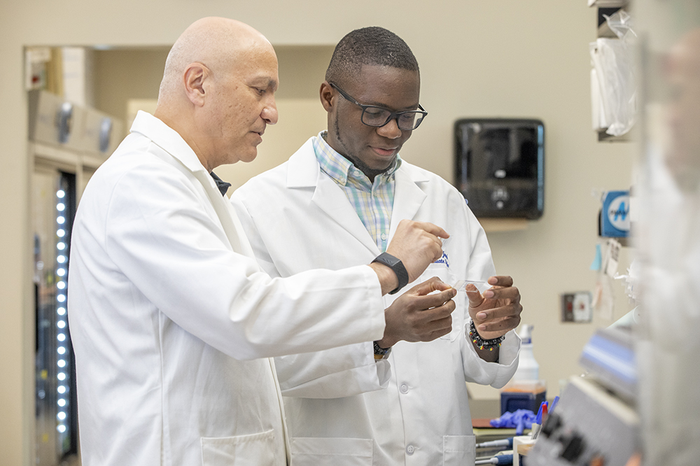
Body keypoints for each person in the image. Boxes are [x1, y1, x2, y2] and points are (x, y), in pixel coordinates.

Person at [67, 18, 455, 466]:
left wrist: (382, 333)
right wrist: (388, 270)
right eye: (260, 89)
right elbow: (247, 312)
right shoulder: (141, 183)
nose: (273, 111)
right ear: (197, 84)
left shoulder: (187, 185)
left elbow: (264, 360)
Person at [231, 26, 523, 466]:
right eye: (375, 113)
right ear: (329, 97)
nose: (393, 131)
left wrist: (488, 330)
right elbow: (262, 368)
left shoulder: (442, 199)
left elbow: (476, 361)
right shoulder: (258, 207)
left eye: (407, 116)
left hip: (440, 451)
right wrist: (381, 334)